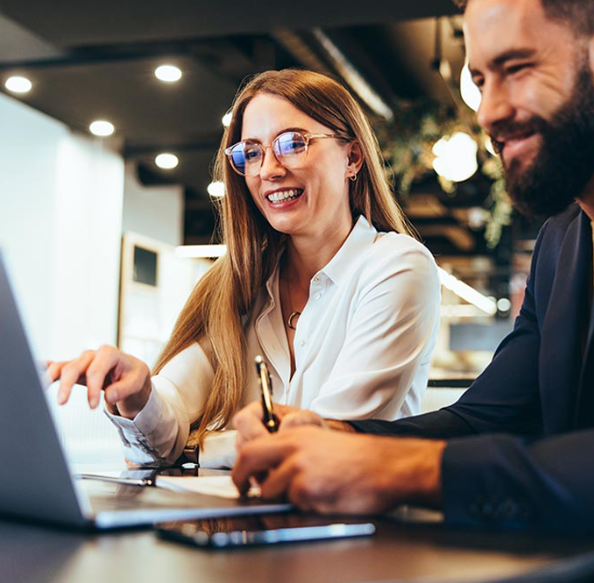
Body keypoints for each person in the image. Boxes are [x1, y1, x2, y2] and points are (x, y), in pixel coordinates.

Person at [231, 0, 594, 578]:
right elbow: (485, 418)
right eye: (481, 79)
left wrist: (400, 471)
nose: (489, 111)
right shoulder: (561, 238)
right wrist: (336, 434)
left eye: (517, 68)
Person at [48, 69, 440, 468]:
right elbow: (166, 421)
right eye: (251, 152)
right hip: (246, 526)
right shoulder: (240, 284)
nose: (268, 168)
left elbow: (327, 440)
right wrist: (138, 394)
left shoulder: (397, 267)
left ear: (352, 157)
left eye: (293, 143)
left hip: (361, 526)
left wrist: (195, 449)